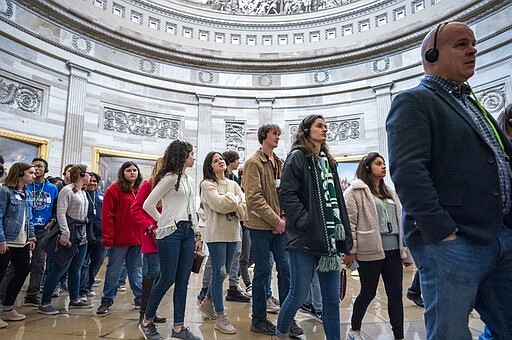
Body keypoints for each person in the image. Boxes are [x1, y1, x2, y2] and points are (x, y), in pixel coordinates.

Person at [386, 22, 512, 340]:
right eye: (461, 44)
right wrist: (442, 231)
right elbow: (408, 172)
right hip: (454, 244)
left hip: (499, 236)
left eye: (473, 43)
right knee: (450, 334)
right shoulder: (414, 101)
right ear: (431, 54)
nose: (473, 49)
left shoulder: (471, 103)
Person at [277, 115, 352, 340]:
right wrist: (307, 222)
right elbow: (287, 195)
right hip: (303, 239)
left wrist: (344, 235)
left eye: (326, 126)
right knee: (298, 294)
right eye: (319, 126)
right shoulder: (297, 157)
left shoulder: (328, 162)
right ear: (307, 130)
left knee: (331, 298)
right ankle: (281, 333)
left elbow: (337, 200)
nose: (325, 129)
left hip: (328, 241)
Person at [342, 152, 413, 340]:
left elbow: (401, 222)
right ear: (367, 167)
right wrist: (352, 250)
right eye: (378, 163)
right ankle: (354, 329)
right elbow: (350, 223)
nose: (383, 166)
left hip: (393, 252)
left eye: (383, 163)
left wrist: (406, 253)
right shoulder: (354, 192)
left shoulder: (390, 192)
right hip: (370, 251)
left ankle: (399, 335)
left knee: (395, 295)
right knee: (368, 292)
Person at [243, 124, 302, 337]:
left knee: (286, 270)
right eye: (274, 134)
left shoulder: (279, 162)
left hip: (281, 226)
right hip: (261, 227)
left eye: (279, 134)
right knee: (262, 272)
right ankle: (258, 319)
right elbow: (254, 198)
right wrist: (276, 220)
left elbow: (285, 192)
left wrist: (284, 218)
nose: (278, 137)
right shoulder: (253, 163)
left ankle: (288, 318)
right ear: (264, 136)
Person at [140, 140, 202, 340]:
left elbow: (191, 208)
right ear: (182, 155)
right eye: (192, 153)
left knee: (183, 281)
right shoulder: (169, 177)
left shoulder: (188, 179)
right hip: (171, 233)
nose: (194, 157)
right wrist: (164, 222)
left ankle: (178, 328)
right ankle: (147, 321)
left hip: (187, 232)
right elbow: (148, 204)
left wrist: (197, 232)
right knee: (167, 279)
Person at [198, 151, 246, 334]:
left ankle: (208, 302)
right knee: (219, 274)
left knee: (224, 273)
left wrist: (233, 203)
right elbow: (219, 204)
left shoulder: (233, 183)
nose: (220, 162)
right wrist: (235, 201)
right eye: (215, 160)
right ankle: (220, 316)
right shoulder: (207, 184)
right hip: (216, 234)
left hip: (233, 233)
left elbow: (243, 209)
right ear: (210, 166)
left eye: (221, 159)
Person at [38, 164, 93, 314]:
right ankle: (45, 302)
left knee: (76, 268)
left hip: (82, 234)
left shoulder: (82, 191)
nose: (91, 176)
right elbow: (61, 213)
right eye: (89, 173)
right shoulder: (67, 190)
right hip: (69, 232)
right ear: (81, 174)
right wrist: (64, 233)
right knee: (59, 269)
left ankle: (75, 298)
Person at [97, 161, 143, 315]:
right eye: (129, 170)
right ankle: (107, 300)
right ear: (122, 172)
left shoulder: (140, 189)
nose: (132, 173)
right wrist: (108, 238)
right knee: (114, 270)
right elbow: (107, 216)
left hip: (137, 239)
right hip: (119, 239)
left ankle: (140, 298)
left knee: (136, 270)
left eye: (135, 170)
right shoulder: (114, 190)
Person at [0, 162, 36, 328]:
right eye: (31, 173)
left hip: (22, 240)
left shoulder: (27, 192)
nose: (34, 175)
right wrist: (1, 239)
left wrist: (32, 237)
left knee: (23, 270)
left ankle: (7, 308)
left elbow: (29, 217)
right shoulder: (5, 191)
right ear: (20, 174)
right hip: (7, 240)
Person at [131, 158, 166, 324]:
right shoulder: (147, 184)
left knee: (160, 273)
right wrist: (150, 225)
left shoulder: (171, 185)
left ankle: (151, 311)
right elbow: (136, 209)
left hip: (166, 233)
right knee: (153, 270)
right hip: (151, 233)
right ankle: (144, 313)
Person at [23, 158, 59, 306]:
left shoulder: (52, 188)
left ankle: (32, 294)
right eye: (33, 166)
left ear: (45, 169)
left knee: (39, 263)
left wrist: (54, 220)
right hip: (25, 229)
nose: (36, 169)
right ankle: (4, 292)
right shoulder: (26, 186)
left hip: (44, 229)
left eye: (40, 166)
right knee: (19, 263)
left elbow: (57, 208)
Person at [223, 150, 252, 300]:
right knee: (223, 259)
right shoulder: (224, 179)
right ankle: (206, 290)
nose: (239, 162)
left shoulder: (234, 179)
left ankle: (233, 286)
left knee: (238, 255)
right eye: (237, 159)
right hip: (228, 221)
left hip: (239, 221)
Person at [79, 172, 107, 299]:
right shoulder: (80, 195)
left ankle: (89, 285)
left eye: (95, 181)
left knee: (97, 263)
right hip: (84, 234)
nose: (92, 183)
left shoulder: (102, 196)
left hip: (101, 234)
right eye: (90, 180)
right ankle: (82, 290)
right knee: (84, 263)